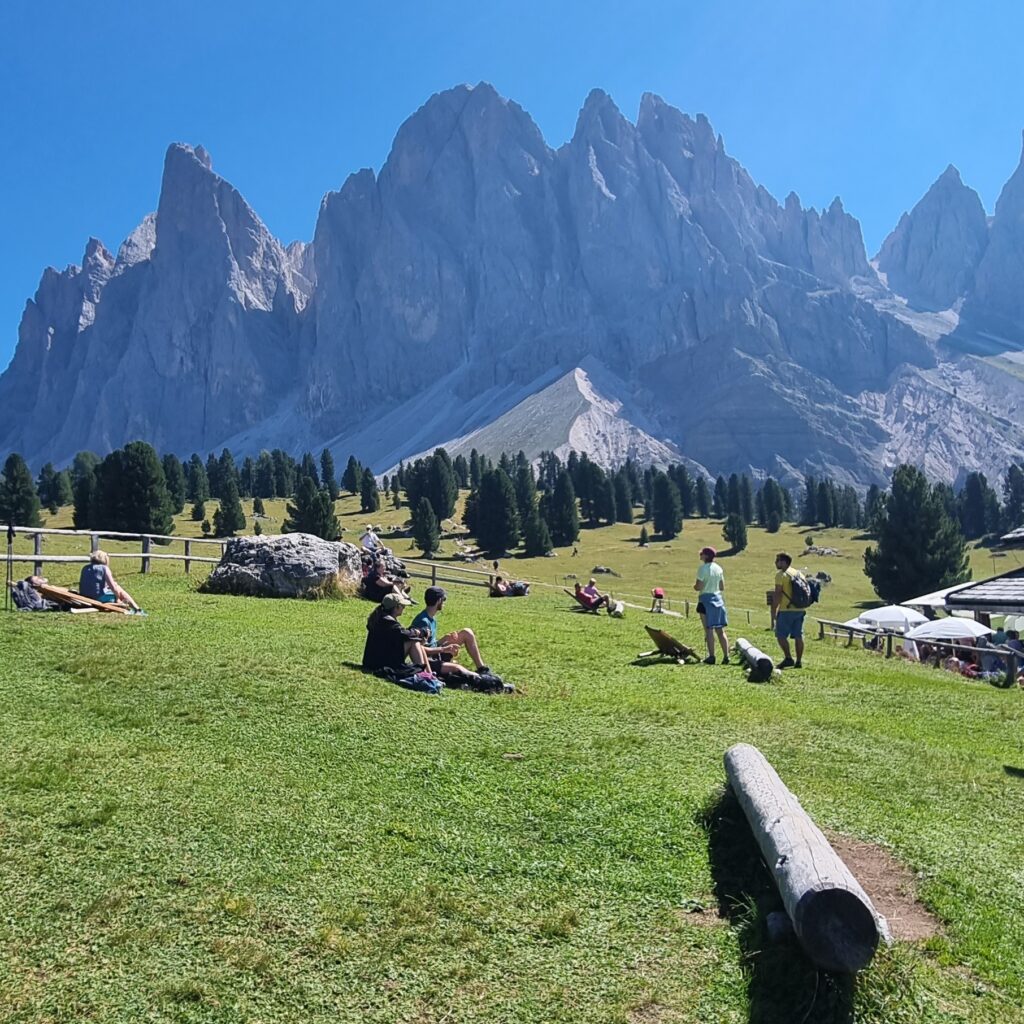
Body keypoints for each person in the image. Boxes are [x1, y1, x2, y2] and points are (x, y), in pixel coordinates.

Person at [410, 586, 490, 683]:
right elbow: (418, 650)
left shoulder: (431, 618)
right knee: (458, 668)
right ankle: (487, 682)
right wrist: (444, 649)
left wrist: (443, 640)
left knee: (466, 633)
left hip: (436, 653)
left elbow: (429, 643)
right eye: (444, 599)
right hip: (429, 662)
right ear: (439, 600)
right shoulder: (423, 621)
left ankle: (482, 669)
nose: (444, 603)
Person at [362, 591, 431, 673]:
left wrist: (415, 633)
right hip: (378, 663)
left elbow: (400, 634)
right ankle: (424, 674)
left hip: (375, 660)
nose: (404, 608)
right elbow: (403, 634)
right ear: (396, 607)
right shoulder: (387, 621)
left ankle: (428, 674)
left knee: (416, 641)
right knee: (413, 642)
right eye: (403, 606)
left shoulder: (382, 617)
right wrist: (418, 632)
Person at [694, 546, 730, 665]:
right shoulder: (719, 568)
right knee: (720, 630)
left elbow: (698, 586)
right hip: (718, 600)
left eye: (702, 554)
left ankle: (712, 656)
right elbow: (722, 587)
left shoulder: (702, 569)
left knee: (708, 630)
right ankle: (726, 656)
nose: (700, 555)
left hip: (705, 600)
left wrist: (695, 587)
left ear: (706, 556)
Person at [772, 551, 805, 669]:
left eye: (778, 560)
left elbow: (778, 594)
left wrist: (774, 609)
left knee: (780, 635)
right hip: (800, 608)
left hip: (786, 609)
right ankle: (799, 661)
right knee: (798, 635)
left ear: (784, 562)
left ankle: (788, 658)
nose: (775, 563)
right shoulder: (798, 574)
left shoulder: (781, 575)